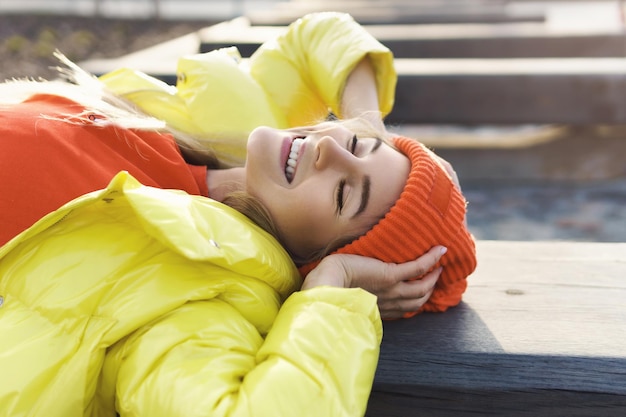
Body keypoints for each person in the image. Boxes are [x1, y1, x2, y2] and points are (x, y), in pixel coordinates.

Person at [0, 12, 476, 417]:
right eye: (354, 144)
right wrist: (372, 127)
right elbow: (320, 33)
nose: (330, 148)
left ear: (313, 256)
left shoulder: (191, 295)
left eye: (342, 195)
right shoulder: (231, 131)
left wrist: (332, 288)